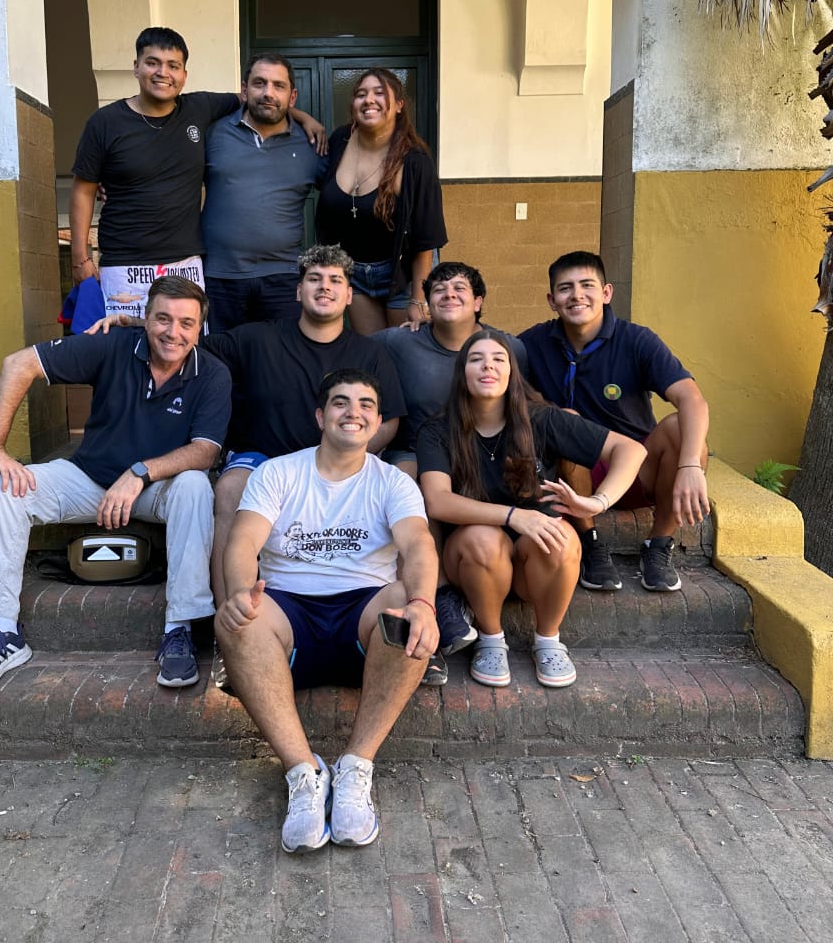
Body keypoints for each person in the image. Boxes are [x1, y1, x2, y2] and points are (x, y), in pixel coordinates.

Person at [0, 276, 231, 690]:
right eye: (163, 319)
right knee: (4, 489)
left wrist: (139, 472)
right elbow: (18, 364)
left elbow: (205, 451)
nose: (173, 332)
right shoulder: (112, 345)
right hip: (88, 478)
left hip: (158, 488)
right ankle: (3, 632)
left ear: (199, 328)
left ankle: (179, 630)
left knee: (195, 486)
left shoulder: (212, 373)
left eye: (186, 323)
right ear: (145, 318)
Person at [215, 369, 438, 852]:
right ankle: (304, 773)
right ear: (321, 416)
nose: (353, 412)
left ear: (377, 421)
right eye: (340, 402)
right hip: (289, 615)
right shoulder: (278, 473)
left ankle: (356, 768)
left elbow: (418, 545)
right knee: (239, 618)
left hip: (363, 616)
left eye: (365, 405)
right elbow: (243, 541)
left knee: (404, 605)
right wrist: (238, 592)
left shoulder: (392, 482)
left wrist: (424, 604)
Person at [417, 331, 645, 689]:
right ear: (462, 373)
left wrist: (597, 502)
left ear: (512, 373)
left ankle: (548, 640)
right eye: (476, 359)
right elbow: (437, 500)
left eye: (498, 359)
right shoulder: (438, 430)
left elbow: (631, 450)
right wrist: (514, 516)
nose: (488, 366)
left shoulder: (542, 420)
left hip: (532, 568)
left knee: (562, 539)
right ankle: (491, 639)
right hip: (471, 564)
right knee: (482, 538)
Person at [69, 27, 324, 318]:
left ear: (184, 75)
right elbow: (83, 189)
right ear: (136, 67)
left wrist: (303, 117)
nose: (163, 73)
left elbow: (263, 102)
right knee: (124, 341)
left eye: (173, 65)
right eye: (152, 63)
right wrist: (80, 258)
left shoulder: (198, 109)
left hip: (186, 265)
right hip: (126, 265)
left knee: (183, 342)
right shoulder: (105, 122)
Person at [202, 245, 406, 606]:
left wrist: (345, 457)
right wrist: (132, 326)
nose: (324, 286)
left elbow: (389, 420)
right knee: (231, 489)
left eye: (335, 280)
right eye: (314, 279)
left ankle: (405, 614)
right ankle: (228, 617)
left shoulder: (370, 353)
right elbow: (185, 345)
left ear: (349, 295)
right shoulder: (256, 339)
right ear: (299, 291)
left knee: (403, 493)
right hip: (262, 460)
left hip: (341, 465)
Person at [518, 251, 710, 594]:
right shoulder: (532, 344)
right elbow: (486, 358)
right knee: (567, 423)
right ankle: (590, 543)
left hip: (637, 470)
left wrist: (691, 465)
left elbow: (692, 399)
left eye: (587, 285)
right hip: (573, 475)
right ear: (551, 300)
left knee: (680, 429)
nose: (576, 295)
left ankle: (659, 544)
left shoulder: (637, 340)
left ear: (606, 293)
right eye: (565, 288)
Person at [375, 260, 530, 684]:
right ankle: (437, 598)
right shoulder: (399, 341)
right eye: (439, 289)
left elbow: (528, 400)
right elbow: (346, 349)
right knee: (408, 486)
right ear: (426, 302)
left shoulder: (507, 347)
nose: (449, 294)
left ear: (478, 301)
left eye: (460, 288)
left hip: (480, 452)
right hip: (416, 449)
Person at [315, 68, 447, 334]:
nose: (369, 100)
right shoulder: (340, 141)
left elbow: (426, 240)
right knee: (372, 351)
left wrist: (418, 300)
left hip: (403, 276)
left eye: (379, 93)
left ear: (399, 105)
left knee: (402, 350)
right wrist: (304, 118)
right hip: (354, 272)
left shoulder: (415, 161)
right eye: (361, 94)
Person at [201, 52, 325, 331]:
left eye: (278, 85)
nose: (268, 93)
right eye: (260, 83)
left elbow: (343, 192)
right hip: (220, 277)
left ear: (292, 97)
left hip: (283, 278)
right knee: (221, 354)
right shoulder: (214, 134)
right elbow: (177, 177)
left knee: (278, 356)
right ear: (244, 90)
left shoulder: (312, 144)